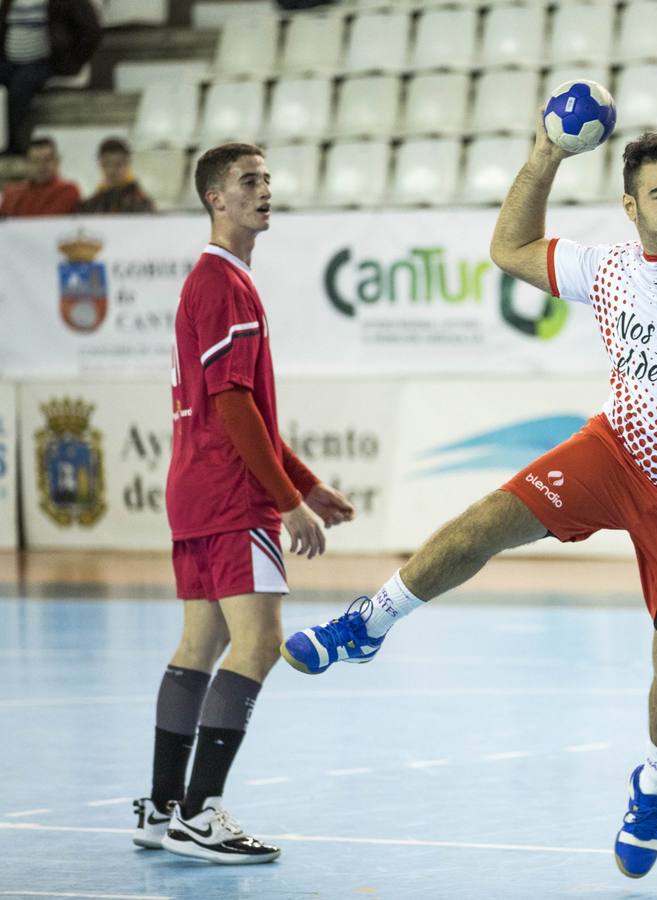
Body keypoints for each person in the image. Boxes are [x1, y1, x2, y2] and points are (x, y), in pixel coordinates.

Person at [279, 125, 657, 879]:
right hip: (618, 455)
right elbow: (509, 249)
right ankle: (368, 623)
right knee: (485, 524)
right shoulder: (606, 267)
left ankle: (654, 786)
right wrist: (544, 155)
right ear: (629, 206)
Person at [131, 142, 355, 865]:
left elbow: (245, 406)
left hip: (193, 488)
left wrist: (307, 480)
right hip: (230, 495)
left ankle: (162, 806)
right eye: (248, 181)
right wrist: (287, 503)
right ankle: (200, 814)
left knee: (201, 645)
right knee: (258, 644)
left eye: (266, 179)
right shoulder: (224, 283)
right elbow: (232, 405)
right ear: (214, 199)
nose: (265, 190)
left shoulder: (211, 281)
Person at [0, 0, 100, 155]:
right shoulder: (9, 2)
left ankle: (13, 143)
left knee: (20, 87)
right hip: (9, 62)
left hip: (47, 62)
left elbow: (91, 30)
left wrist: (71, 60)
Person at [0, 134, 76, 215]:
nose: (41, 166)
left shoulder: (67, 190)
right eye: (35, 161)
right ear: (26, 164)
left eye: (47, 160)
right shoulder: (12, 193)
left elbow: (47, 222)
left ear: (57, 161)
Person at [77, 136, 155, 213]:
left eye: (118, 164)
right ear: (100, 165)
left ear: (128, 164)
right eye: (106, 164)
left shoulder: (141, 203)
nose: (111, 170)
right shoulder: (90, 205)